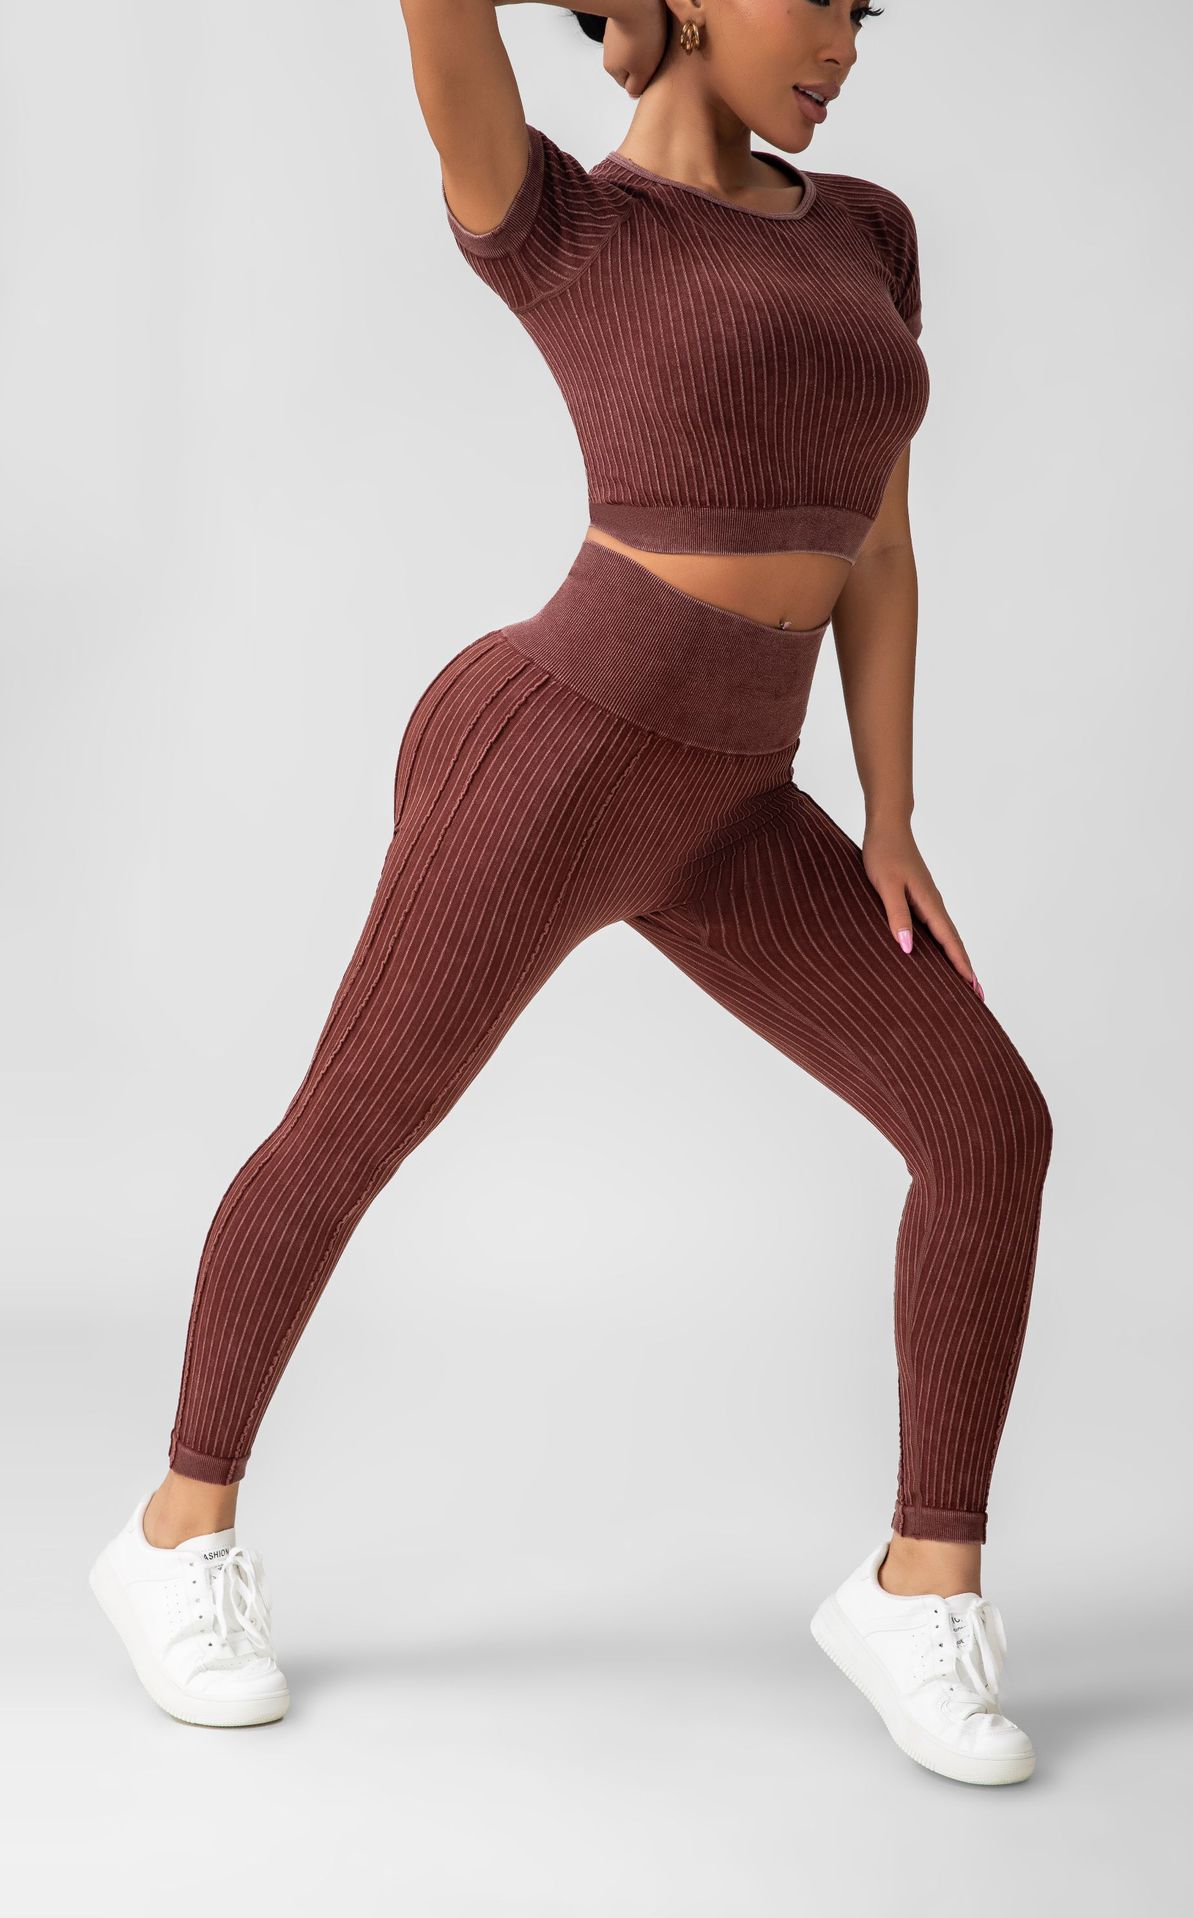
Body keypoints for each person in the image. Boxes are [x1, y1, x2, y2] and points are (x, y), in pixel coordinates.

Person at [89, 0, 1053, 1786]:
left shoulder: (871, 233)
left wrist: (891, 812)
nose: (849, 44)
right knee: (351, 1128)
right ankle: (174, 1534)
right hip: (553, 755)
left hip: (740, 799)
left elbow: (882, 542)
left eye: (869, 11)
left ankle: (923, 1589)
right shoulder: (565, 222)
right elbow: (443, 32)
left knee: (989, 1124)